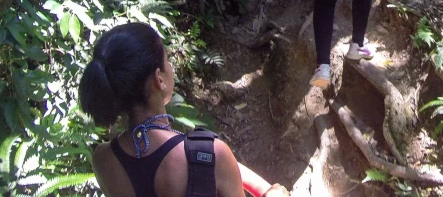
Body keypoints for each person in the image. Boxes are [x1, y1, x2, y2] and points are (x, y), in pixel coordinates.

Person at [79, 23, 287, 197]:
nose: (171, 67)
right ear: (159, 79)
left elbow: (148, 167)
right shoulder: (214, 153)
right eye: (167, 60)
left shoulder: (104, 159)